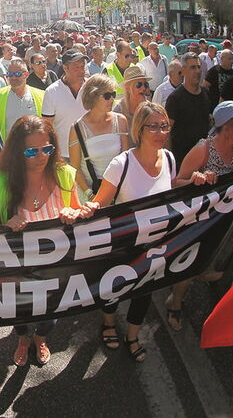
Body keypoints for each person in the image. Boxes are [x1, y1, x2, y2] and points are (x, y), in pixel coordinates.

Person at [0, 115, 84, 367]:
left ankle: (40, 338)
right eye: (32, 151)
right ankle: (22, 339)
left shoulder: (64, 175)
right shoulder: (2, 181)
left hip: (56, 268)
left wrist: (72, 213)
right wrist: (5, 224)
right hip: (17, 269)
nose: (42, 156)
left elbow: (78, 213)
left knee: (50, 312)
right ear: (18, 151)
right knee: (19, 310)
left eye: (47, 149)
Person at [85, 102, 176, 362]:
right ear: (139, 129)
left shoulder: (169, 158)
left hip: (155, 243)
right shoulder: (121, 163)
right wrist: (81, 210)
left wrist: (197, 180)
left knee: (144, 293)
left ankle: (132, 336)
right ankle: (109, 323)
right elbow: (100, 202)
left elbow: (174, 188)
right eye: (154, 127)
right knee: (115, 286)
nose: (160, 132)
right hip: (123, 243)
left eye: (164, 126)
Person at [167, 101, 233, 330]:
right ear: (227, 127)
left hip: (227, 222)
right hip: (200, 222)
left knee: (215, 273)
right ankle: (175, 304)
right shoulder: (203, 149)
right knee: (189, 269)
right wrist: (195, 179)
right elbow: (176, 182)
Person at [68, 74, 129, 200]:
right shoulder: (77, 128)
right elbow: (75, 168)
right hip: (89, 196)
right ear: (93, 97)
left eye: (113, 94)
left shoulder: (121, 121)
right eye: (107, 96)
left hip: (119, 192)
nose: (112, 99)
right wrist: (91, 195)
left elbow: (126, 160)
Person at [165, 52, 212, 167]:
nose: (197, 71)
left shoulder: (206, 93)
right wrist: (171, 162)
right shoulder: (175, 99)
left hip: (203, 158)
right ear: (183, 70)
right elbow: (167, 132)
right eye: (192, 67)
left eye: (198, 67)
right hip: (181, 159)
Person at [42, 50, 87, 161]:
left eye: (83, 66)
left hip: (90, 153)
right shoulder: (51, 91)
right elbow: (47, 126)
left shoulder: (91, 88)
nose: (81, 70)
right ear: (65, 68)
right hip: (63, 155)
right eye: (76, 67)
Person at [0, 59, 44, 139]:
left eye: (18, 74)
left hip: (33, 148)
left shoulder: (41, 95)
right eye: (10, 74)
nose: (13, 77)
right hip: (8, 148)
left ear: (26, 74)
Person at [113, 66, 153, 147]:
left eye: (145, 84)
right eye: (138, 85)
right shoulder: (118, 111)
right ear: (127, 88)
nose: (143, 88)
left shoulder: (149, 108)